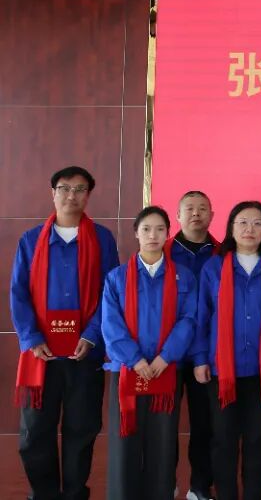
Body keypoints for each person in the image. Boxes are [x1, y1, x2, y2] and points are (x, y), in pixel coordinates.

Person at [10, 165, 120, 500]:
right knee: (34, 433)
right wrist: (32, 338)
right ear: (53, 193)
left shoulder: (102, 239)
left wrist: (91, 335)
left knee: (81, 430)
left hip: (84, 354)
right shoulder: (31, 240)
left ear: (88, 195)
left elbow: (111, 292)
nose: (72, 195)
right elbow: (18, 294)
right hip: (41, 355)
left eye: (80, 189)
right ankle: (43, 494)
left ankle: (74, 494)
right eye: (65, 188)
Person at [194, 201, 261, 500]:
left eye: (257, 223)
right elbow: (201, 317)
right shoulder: (214, 267)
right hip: (222, 371)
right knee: (223, 439)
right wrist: (200, 359)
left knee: (258, 439)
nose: (250, 229)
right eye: (243, 223)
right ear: (231, 228)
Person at [102, 206, 199, 500]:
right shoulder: (117, 278)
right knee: (125, 442)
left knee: (162, 443)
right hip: (127, 371)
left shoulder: (184, 277)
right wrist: (134, 359)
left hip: (165, 370)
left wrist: (165, 357)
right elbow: (111, 324)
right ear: (136, 233)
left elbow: (189, 320)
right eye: (146, 229)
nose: (153, 235)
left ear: (168, 233)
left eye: (159, 229)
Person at [167, 190, 219, 500]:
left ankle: (199, 487)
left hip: (207, 356)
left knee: (204, 425)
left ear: (212, 215)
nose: (196, 213)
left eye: (202, 208)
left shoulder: (223, 254)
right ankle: (165, 481)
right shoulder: (162, 251)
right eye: (189, 208)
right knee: (164, 423)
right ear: (178, 215)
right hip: (167, 354)